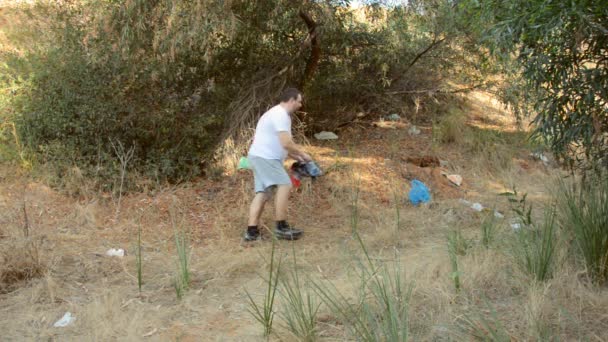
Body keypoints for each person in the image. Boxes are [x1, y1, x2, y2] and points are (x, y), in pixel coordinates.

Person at [244, 88, 311, 241]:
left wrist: (300, 157)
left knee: (263, 193)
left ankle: (251, 232)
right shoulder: (280, 115)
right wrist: (303, 154)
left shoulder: (277, 114)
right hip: (265, 158)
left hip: (259, 157)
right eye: (299, 101)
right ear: (292, 100)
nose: (300, 105)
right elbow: (286, 143)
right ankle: (281, 227)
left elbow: (283, 147)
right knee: (285, 184)